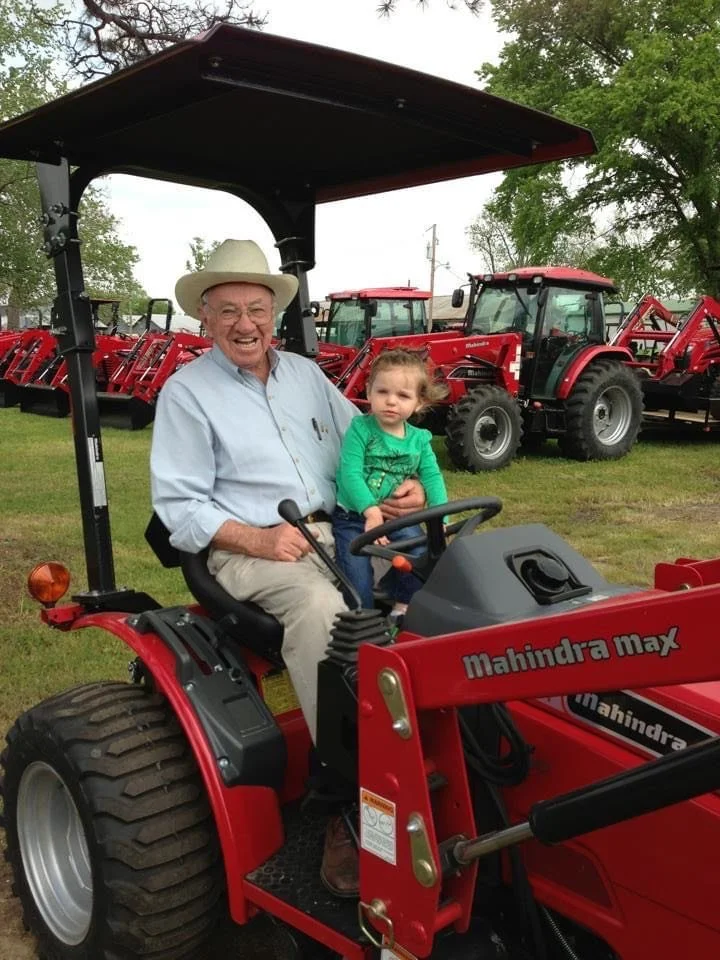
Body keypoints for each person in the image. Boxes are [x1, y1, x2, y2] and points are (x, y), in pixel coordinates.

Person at [150, 239, 426, 898]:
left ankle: (446, 740)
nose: (245, 324)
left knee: (446, 575)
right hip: (246, 550)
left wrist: (395, 489)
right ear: (205, 320)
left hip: (337, 530)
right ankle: (345, 801)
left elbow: (362, 445)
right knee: (328, 615)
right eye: (228, 312)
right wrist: (258, 537)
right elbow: (180, 506)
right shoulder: (187, 395)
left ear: (273, 312)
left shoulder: (305, 375)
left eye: (256, 309)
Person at [332, 349, 448, 627]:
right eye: (382, 391)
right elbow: (350, 473)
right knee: (356, 575)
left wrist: (440, 519)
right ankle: (363, 622)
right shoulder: (361, 429)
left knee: (424, 554)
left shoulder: (419, 440)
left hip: (394, 517)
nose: (391, 401)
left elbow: (432, 478)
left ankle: (400, 604)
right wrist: (370, 511)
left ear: (419, 403)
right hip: (354, 516)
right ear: (369, 391)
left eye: (403, 396)